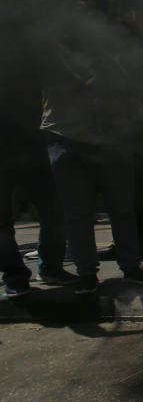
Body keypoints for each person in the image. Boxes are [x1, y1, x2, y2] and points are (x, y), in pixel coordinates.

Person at [42, 0, 143, 294]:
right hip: (67, 138)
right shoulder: (54, 51)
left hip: (110, 141)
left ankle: (130, 267)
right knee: (78, 214)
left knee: (123, 209)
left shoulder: (108, 56)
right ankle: (87, 274)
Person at [1, 48, 75, 296]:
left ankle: (51, 267)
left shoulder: (28, 60)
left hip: (33, 150)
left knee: (53, 211)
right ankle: (15, 275)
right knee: (2, 222)